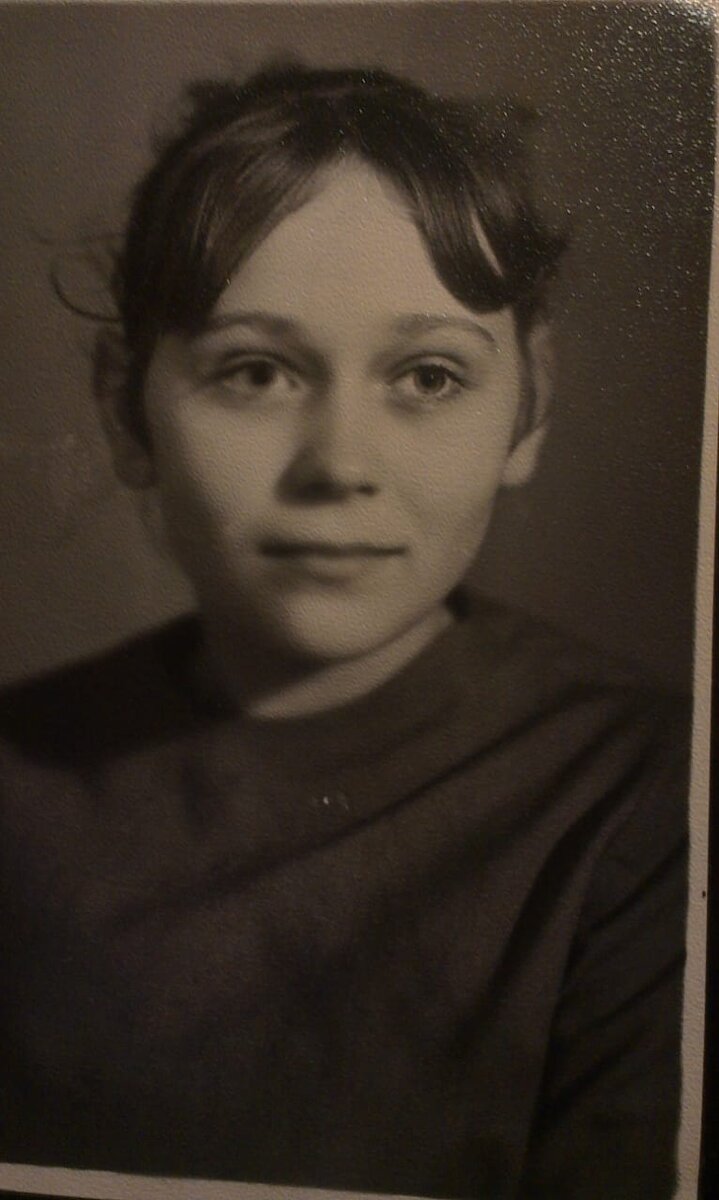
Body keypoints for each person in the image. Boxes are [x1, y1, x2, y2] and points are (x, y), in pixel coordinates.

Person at [0, 64, 689, 1200]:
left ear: (527, 406)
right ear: (126, 408)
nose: (340, 467)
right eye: (254, 370)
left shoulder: (650, 798)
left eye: (428, 376)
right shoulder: (19, 783)